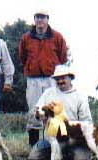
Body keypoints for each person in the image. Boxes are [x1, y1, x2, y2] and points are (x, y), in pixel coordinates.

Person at [18, 10, 68, 146]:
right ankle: (34, 145)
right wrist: (32, 66)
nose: (40, 20)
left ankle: (56, 144)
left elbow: (63, 57)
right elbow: (22, 56)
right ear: (34, 20)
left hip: (51, 78)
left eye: (43, 17)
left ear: (48, 19)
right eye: (37, 17)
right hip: (33, 79)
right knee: (34, 110)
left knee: (53, 109)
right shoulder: (26, 38)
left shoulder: (57, 37)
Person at [28, 64, 93, 160]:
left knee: (81, 159)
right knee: (34, 156)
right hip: (52, 137)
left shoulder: (80, 95)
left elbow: (86, 120)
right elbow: (37, 111)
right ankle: (59, 153)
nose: (60, 81)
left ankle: (76, 151)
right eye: (57, 79)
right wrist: (38, 115)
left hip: (74, 137)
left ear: (70, 78)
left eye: (63, 78)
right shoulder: (48, 93)